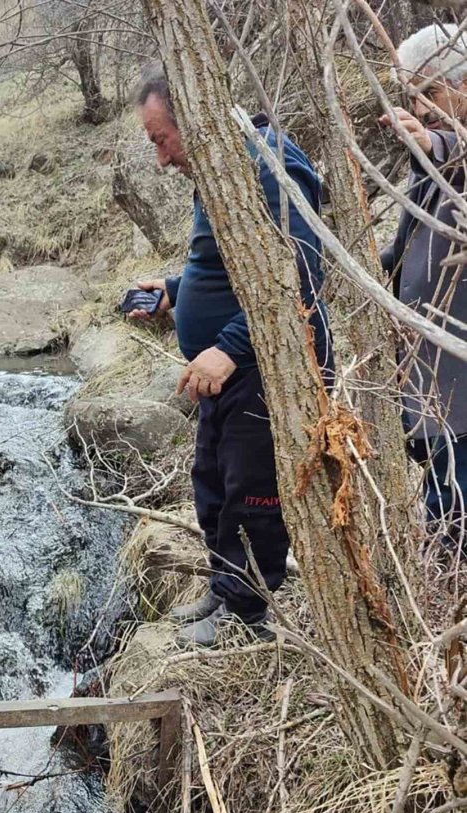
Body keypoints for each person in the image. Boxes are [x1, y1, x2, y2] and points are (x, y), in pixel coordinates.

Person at [129, 62, 332, 647]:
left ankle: (246, 610)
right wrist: (174, 291)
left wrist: (229, 346)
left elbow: (299, 278)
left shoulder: (268, 164)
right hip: (223, 373)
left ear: (193, 116)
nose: (162, 158)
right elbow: (231, 265)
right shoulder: (219, 170)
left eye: (161, 139)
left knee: (252, 489)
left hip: (263, 370)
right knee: (213, 482)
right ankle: (224, 587)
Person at [380, 23, 467, 550]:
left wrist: (438, 142)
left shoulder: (447, 150)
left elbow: (453, 149)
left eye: (431, 91)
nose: (424, 106)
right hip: (434, 398)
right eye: (412, 95)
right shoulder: (432, 169)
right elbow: (412, 243)